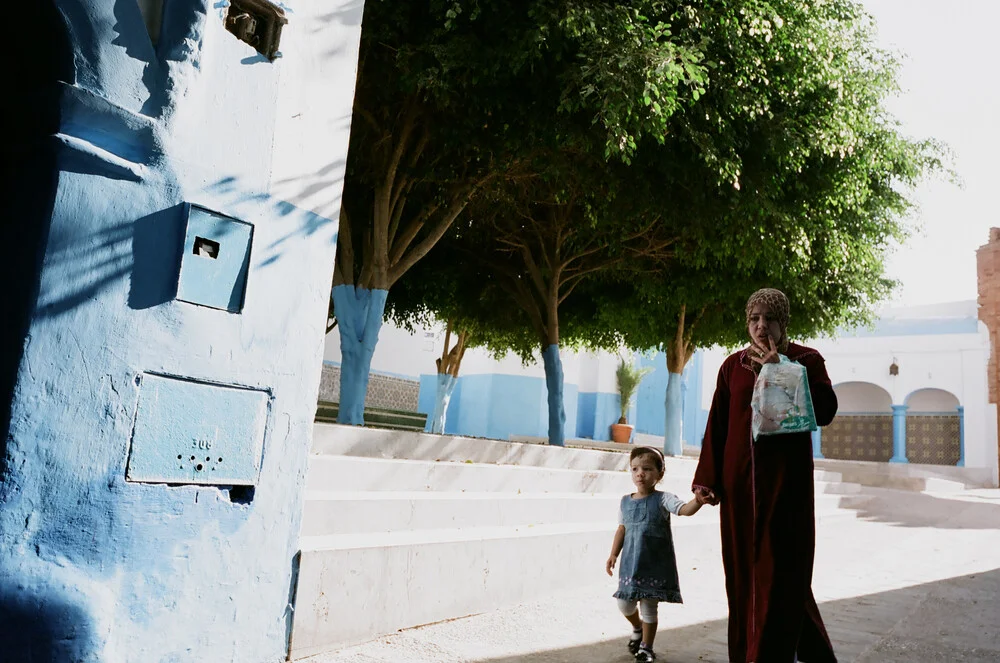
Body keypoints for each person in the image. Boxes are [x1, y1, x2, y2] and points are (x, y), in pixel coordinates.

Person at [693, 288, 839, 663]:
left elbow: (824, 411)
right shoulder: (732, 366)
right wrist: (707, 481)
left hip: (784, 487)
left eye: (768, 319)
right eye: (753, 319)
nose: (760, 326)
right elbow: (718, 425)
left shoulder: (807, 359)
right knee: (744, 575)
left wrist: (781, 371)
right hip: (740, 489)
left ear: (783, 322)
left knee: (783, 572)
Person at [606, 446, 703, 662]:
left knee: (649, 606)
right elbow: (621, 529)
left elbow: (684, 510)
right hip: (631, 563)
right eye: (635, 469)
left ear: (660, 473)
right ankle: (637, 627)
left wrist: (698, 500)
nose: (640, 473)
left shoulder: (663, 499)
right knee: (625, 603)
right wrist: (613, 554)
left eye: (647, 469)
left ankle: (646, 648)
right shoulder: (625, 501)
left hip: (654, 564)